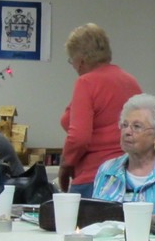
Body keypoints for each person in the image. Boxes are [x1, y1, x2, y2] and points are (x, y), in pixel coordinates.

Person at [59, 24, 141, 197]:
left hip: (94, 178)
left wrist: (65, 165)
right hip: (129, 177)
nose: (73, 66)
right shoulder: (131, 81)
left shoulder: (86, 83)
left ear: (80, 60)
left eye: (71, 60)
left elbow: (79, 138)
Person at [91, 93, 155, 221]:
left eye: (136, 127)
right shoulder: (107, 170)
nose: (127, 132)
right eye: (124, 125)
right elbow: (95, 223)